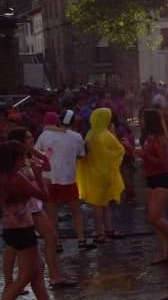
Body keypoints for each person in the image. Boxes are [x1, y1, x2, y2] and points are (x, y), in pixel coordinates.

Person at [0, 141, 72, 300]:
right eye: (21, 157)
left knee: (37, 269)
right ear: (14, 159)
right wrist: (39, 177)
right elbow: (44, 196)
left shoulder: (3, 177)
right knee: (25, 276)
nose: (24, 160)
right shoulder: (17, 178)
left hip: (10, 229)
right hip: (23, 230)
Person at [3, 128, 70, 288]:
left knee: (48, 239)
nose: (32, 139)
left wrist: (35, 152)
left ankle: (52, 276)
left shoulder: (28, 157)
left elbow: (47, 166)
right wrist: (38, 179)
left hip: (33, 206)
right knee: (15, 248)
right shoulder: (15, 164)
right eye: (28, 138)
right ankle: (11, 283)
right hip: (25, 209)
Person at [36, 111, 91, 251]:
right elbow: (81, 155)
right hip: (68, 178)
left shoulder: (45, 135)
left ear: (58, 121)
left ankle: (57, 243)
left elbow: (37, 153)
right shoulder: (77, 137)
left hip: (49, 178)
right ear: (73, 123)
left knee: (52, 214)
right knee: (76, 212)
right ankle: (81, 240)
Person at [76, 108, 125, 244]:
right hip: (105, 174)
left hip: (93, 174)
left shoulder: (90, 134)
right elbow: (119, 150)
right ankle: (101, 233)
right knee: (101, 204)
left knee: (100, 203)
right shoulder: (106, 135)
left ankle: (106, 230)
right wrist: (113, 132)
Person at [139, 109, 168, 264]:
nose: (140, 121)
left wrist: (143, 155)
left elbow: (164, 163)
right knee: (157, 220)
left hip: (162, 179)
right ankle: (165, 252)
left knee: (153, 217)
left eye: (143, 119)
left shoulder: (160, 138)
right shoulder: (147, 137)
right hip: (150, 179)